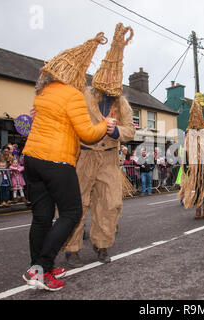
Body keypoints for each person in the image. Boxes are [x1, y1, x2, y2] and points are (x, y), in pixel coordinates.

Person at [21, 32, 112, 291]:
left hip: (32, 159)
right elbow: (88, 134)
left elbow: (58, 124)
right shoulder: (73, 95)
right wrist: (106, 124)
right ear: (76, 74)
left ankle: (38, 269)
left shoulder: (43, 93)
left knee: (41, 217)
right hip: (57, 161)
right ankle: (43, 265)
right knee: (72, 213)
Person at [63, 24, 136, 267]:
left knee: (110, 203)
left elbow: (131, 130)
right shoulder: (82, 94)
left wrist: (116, 131)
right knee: (78, 203)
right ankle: (72, 248)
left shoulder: (121, 103)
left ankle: (101, 244)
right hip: (83, 156)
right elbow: (69, 120)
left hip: (108, 158)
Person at [178, 99, 204, 219]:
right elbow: (186, 151)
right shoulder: (189, 135)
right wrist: (186, 165)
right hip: (194, 166)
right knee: (197, 188)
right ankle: (198, 209)